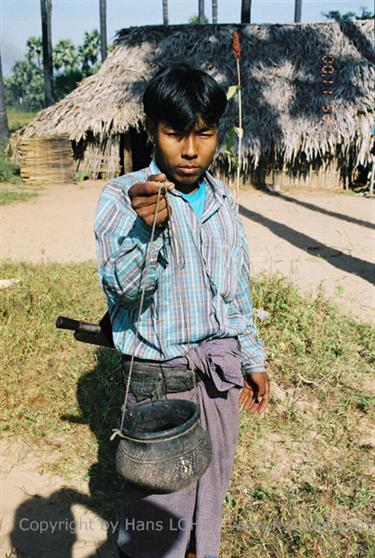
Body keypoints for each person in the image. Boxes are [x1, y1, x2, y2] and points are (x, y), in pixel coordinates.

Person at [94, 63, 270, 558]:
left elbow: (237, 289)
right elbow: (123, 292)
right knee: (156, 523)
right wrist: (145, 233)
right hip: (157, 386)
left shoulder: (221, 201)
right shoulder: (122, 200)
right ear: (152, 130)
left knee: (204, 514)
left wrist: (252, 360)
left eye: (204, 134)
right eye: (174, 134)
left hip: (219, 377)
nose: (190, 151)